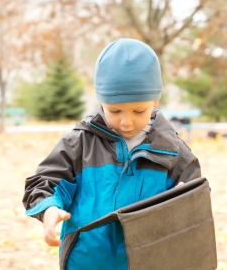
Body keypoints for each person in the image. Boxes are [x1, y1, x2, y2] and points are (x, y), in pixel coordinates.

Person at [23, 38, 201, 269]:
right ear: (101, 101)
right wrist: (49, 210)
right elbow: (45, 182)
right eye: (114, 110)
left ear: (155, 100)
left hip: (150, 261)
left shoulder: (173, 151)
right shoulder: (79, 143)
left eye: (139, 110)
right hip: (87, 261)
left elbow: (194, 203)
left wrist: (185, 203)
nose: (126, 122)